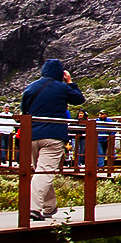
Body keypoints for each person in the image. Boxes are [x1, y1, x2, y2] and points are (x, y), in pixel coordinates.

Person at [20, 59, 84, 221]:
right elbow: (79, 99)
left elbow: (23, 109)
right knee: (44, 172)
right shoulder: (62, 87)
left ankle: (49, 206)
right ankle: (33, 209)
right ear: (60, 73)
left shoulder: (31, 87)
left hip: (33, 136)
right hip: (54, 136)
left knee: (41, 171)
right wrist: (70, 82)